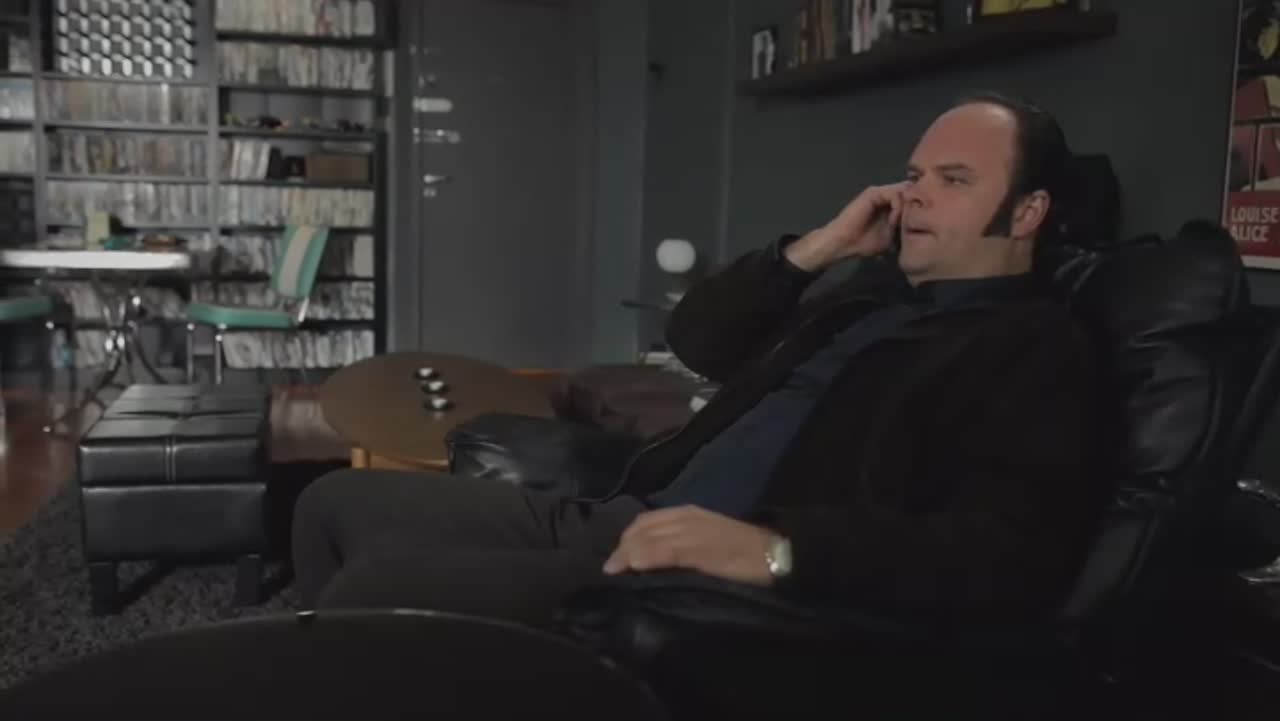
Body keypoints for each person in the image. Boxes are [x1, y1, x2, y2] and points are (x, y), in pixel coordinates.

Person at [291, 91, 1105, 627]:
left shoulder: (1035, 347)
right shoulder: (866, 295)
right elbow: (696, 341)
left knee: (376, 592)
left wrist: (777, 549)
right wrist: (820, 248)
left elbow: (1008, 555)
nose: (916, 193)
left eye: (953, 179)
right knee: (332, 501)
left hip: (697, 581)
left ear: (1026, 211)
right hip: (623, 511)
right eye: (913, 174)